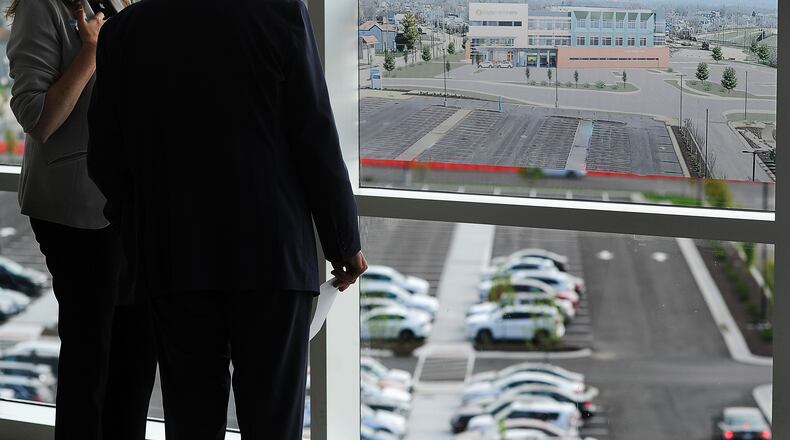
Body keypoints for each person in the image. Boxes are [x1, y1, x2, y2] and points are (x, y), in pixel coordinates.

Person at [87, 0, 367, 438]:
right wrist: (343, 242)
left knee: (191, 420)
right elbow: (314, 135)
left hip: (174, 260)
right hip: (271, 258)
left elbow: (105, 160)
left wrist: (146, 224)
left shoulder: (124, 32)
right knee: (273, 422)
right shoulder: (279, 12)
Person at [5, 1, 157, 439]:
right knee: (92, 363)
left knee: (136, 362)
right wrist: (91, 52)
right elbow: (37, 117)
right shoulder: (43, 7)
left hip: (138, 206)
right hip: (79, 210)